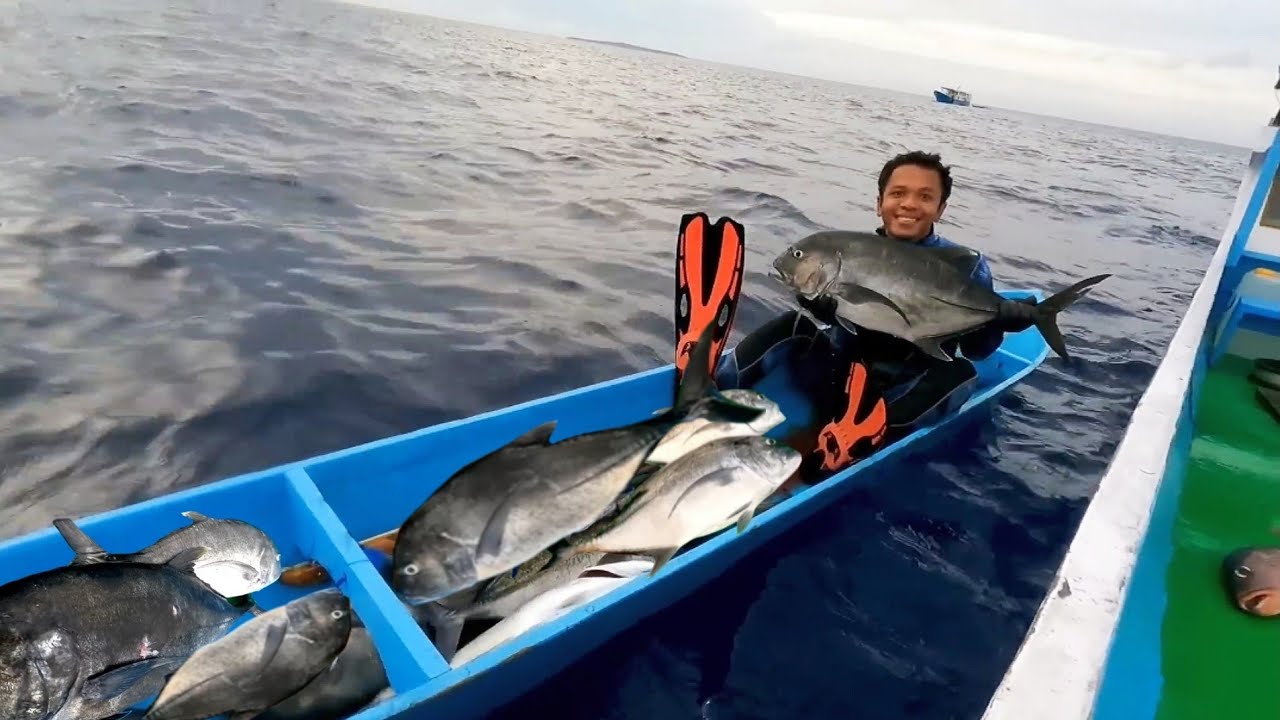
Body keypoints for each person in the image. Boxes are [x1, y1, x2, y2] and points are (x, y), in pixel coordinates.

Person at [676, 151, 1036, 484]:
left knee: (958, 374)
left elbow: (979, 351)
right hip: (838, 370)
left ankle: (860, 439)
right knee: (793, 325)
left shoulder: (966, 265)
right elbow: (846, 317)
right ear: (879, 203)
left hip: (901, 388)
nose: (909, 204)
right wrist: (821, 308)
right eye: (898, 193)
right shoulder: (848, 252)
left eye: (925, 197)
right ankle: (700, 385)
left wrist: (998, 320)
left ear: (941, 208)